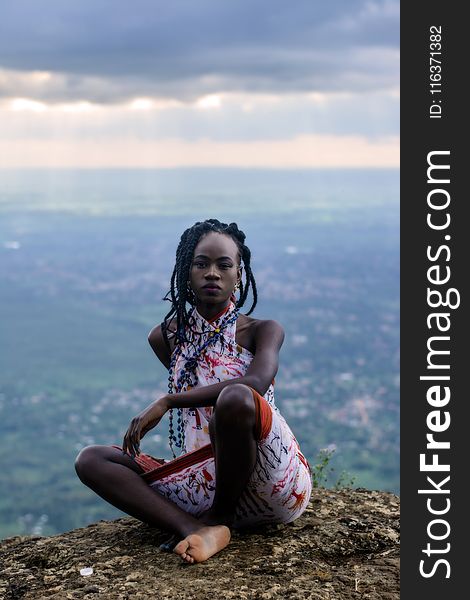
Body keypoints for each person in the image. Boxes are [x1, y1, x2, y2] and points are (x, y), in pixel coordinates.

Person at [75, 218, 312, 564]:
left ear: (239, 275)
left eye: (223, 265)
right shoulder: (166, 337)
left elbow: (255, 386)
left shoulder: (263, 331)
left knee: (235, 398)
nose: (212, 273)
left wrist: (168, 401)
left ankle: (220, 519)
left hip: (268, 479)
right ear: (186, 271)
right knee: (91, 459)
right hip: (206, 482)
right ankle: (196, 529)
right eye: (201, 264)